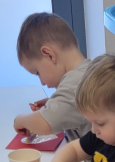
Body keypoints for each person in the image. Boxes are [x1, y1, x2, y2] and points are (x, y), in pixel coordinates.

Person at [12, 12, 92, 142]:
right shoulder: (91, 71)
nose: (42, 83)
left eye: (37, 72)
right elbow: (76, 106)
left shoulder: (76, 83)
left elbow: (44, 124)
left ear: (49, 55)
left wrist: (20, 120)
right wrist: (53, 103)